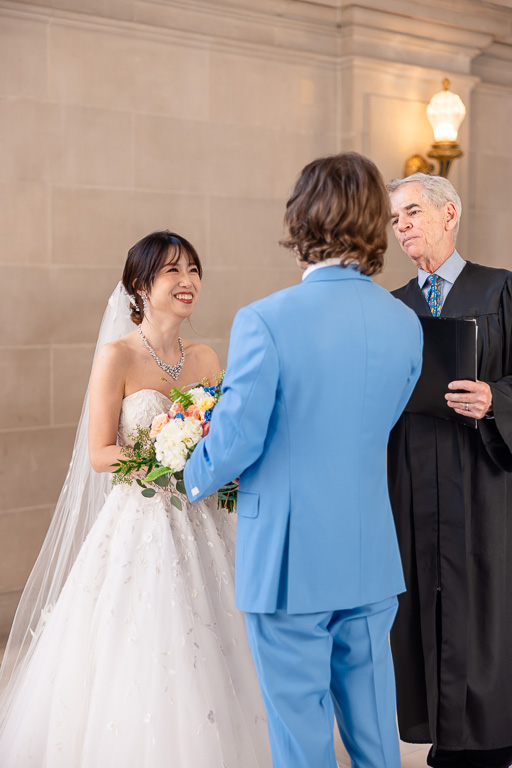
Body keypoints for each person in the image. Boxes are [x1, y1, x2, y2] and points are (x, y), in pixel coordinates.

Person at [183, 152, 424, 768]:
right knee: (377, 739)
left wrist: (187, 471)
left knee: (302, 740)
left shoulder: (266, 319)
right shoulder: (405, 324)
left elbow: (236, 442)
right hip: (370, 553)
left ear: (304, 218)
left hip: (290, 562)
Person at [0, 230, 272, 767]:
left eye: (193, 270)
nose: (187, 281)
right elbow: (100, 451)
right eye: (172, 271)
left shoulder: (205, 357)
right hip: (142, 520)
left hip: (204, 519)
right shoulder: (117, 355)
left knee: (219, 641)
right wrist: (161, 461)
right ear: (139, 284)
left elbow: (221, 438)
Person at [387, 173, 512, 768]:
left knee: (487, 600)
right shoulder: (393, 308)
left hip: (486, 481)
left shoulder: (501, 291)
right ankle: (444, 732)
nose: (402, 226)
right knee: (424, 599)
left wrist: (496, 399)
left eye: (412, 212)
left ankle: (493, 737)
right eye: (395, 219)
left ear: (450, 213)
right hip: (414, 484)